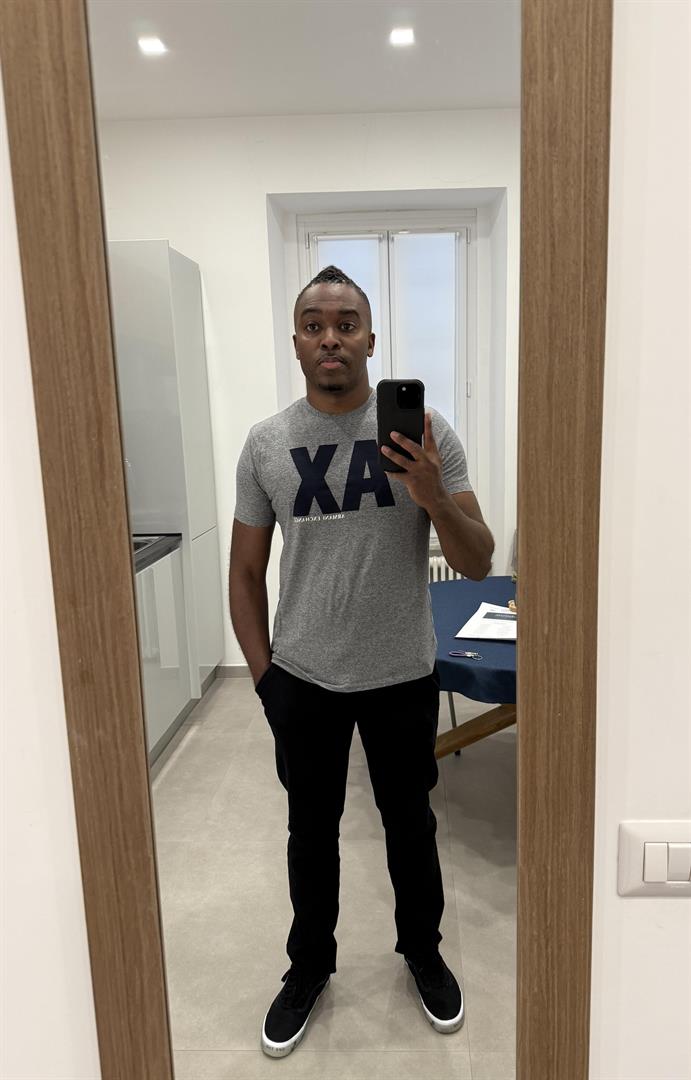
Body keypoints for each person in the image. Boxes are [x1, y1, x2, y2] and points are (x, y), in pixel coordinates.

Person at [229, 265, 494, 1059]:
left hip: (402, 675)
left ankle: (422, 953)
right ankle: (308, 968)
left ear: (370, 340)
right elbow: (244, 573)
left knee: (410, 826)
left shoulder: (427, 433)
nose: (330, 338)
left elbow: (477, 561)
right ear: (296, 343)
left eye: (345, 323)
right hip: (303, 680)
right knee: (309, 834)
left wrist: (432, 493)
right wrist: (264, 680)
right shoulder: (266, 444)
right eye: (314, 324)